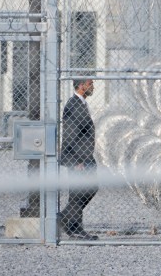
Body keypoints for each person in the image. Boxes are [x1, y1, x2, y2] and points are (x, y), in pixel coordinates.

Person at [58, 79, 99, 240]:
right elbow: (70, 135)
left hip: (85, 156)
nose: (92, 86)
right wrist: (75, 160)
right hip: (78, 158)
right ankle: (73, 227)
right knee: (78, 193)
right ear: (81, 86)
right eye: (90, 84)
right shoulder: (73, 105)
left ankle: (65, 220)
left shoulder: (80, 103)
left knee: (89, 188)